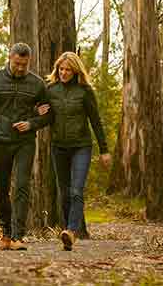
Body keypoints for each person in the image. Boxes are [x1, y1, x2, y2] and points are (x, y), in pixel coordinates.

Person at [0, 42, 51, 250]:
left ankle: (18, 236)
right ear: (10, 58)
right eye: (17, 63)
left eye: (24, 65)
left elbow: (48, 115)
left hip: (25, 142)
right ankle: (6, 234)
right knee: (1, 189)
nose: (20, 68)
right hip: (0, 141)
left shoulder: (37, 84)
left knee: (21, 186)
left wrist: (31, 123)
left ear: (29, 62)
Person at [37, 51, 110, 251]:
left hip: (81, 146)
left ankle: (71, 230)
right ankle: (68, 237)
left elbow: (95, 120)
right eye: (61, 69)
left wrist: (104, 150)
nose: (64, 72)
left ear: (76, 71)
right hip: (58, 147)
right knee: (65, 193)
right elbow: (45, 117)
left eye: (68, 69)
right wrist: (38, 111)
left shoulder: (85, 91)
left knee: (76, 190)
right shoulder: (50, 90)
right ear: (57, 69)